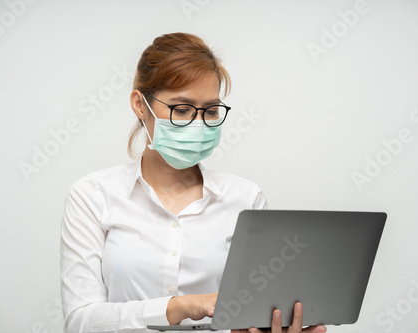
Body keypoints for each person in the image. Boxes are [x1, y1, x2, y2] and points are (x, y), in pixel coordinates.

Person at [60, 32, 327, 333]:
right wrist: (177, 308)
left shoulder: (246, 198)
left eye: (210, 111)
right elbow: (80, 320)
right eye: (182, 109)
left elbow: (251, 311)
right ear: (140, 105)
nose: (198, 124)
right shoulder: (93, 195)